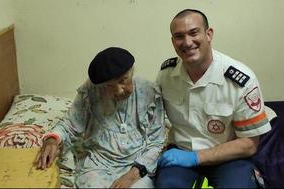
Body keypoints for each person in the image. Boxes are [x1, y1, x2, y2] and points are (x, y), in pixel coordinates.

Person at [155, 9, 271, 188]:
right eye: (179, 36)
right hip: (181, 152)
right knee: (167, 185)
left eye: (194, 32)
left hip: (227, 158)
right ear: (173, 42)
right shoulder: (166, 75)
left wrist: (196, 158)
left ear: (209, 34)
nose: (187, 42)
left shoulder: (241, 80)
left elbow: (249, 144)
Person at [35, 47, 166, 188]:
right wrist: (52, 139)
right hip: (98, 163)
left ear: (132, 73)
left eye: (123, 81)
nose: (118, 91)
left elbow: (157, 142)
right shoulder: (92, 89)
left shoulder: (149, 92)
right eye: (109, 85)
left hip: (136, 164)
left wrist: (132, 175)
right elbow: (70, 125)